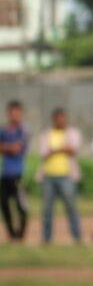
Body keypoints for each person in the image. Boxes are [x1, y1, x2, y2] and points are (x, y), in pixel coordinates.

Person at [39, 107, 80, 243]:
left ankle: (77, 237)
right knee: (47, 210)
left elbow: (73, 150)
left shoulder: (72, 133)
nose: (61, 121)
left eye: (63, 118)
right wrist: (62, 149)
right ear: (54, 119)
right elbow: (44, 154)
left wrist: (55, 150)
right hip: (49, 177)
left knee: (71, 207)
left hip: (66, 176)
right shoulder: (46, 134)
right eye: (59, 118)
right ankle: (46, 238)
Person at [0, 100, 27, 240]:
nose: (14, 115)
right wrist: (8, 148)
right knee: (4, 204)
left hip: (18, 174)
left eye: (17, 112)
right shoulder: (3, 130)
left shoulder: (23, 131)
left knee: (21, 206)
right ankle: (11, 234)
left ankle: (20, 235)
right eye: (12, 112)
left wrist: (5, 147)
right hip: (5, 174)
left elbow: (18, 148)